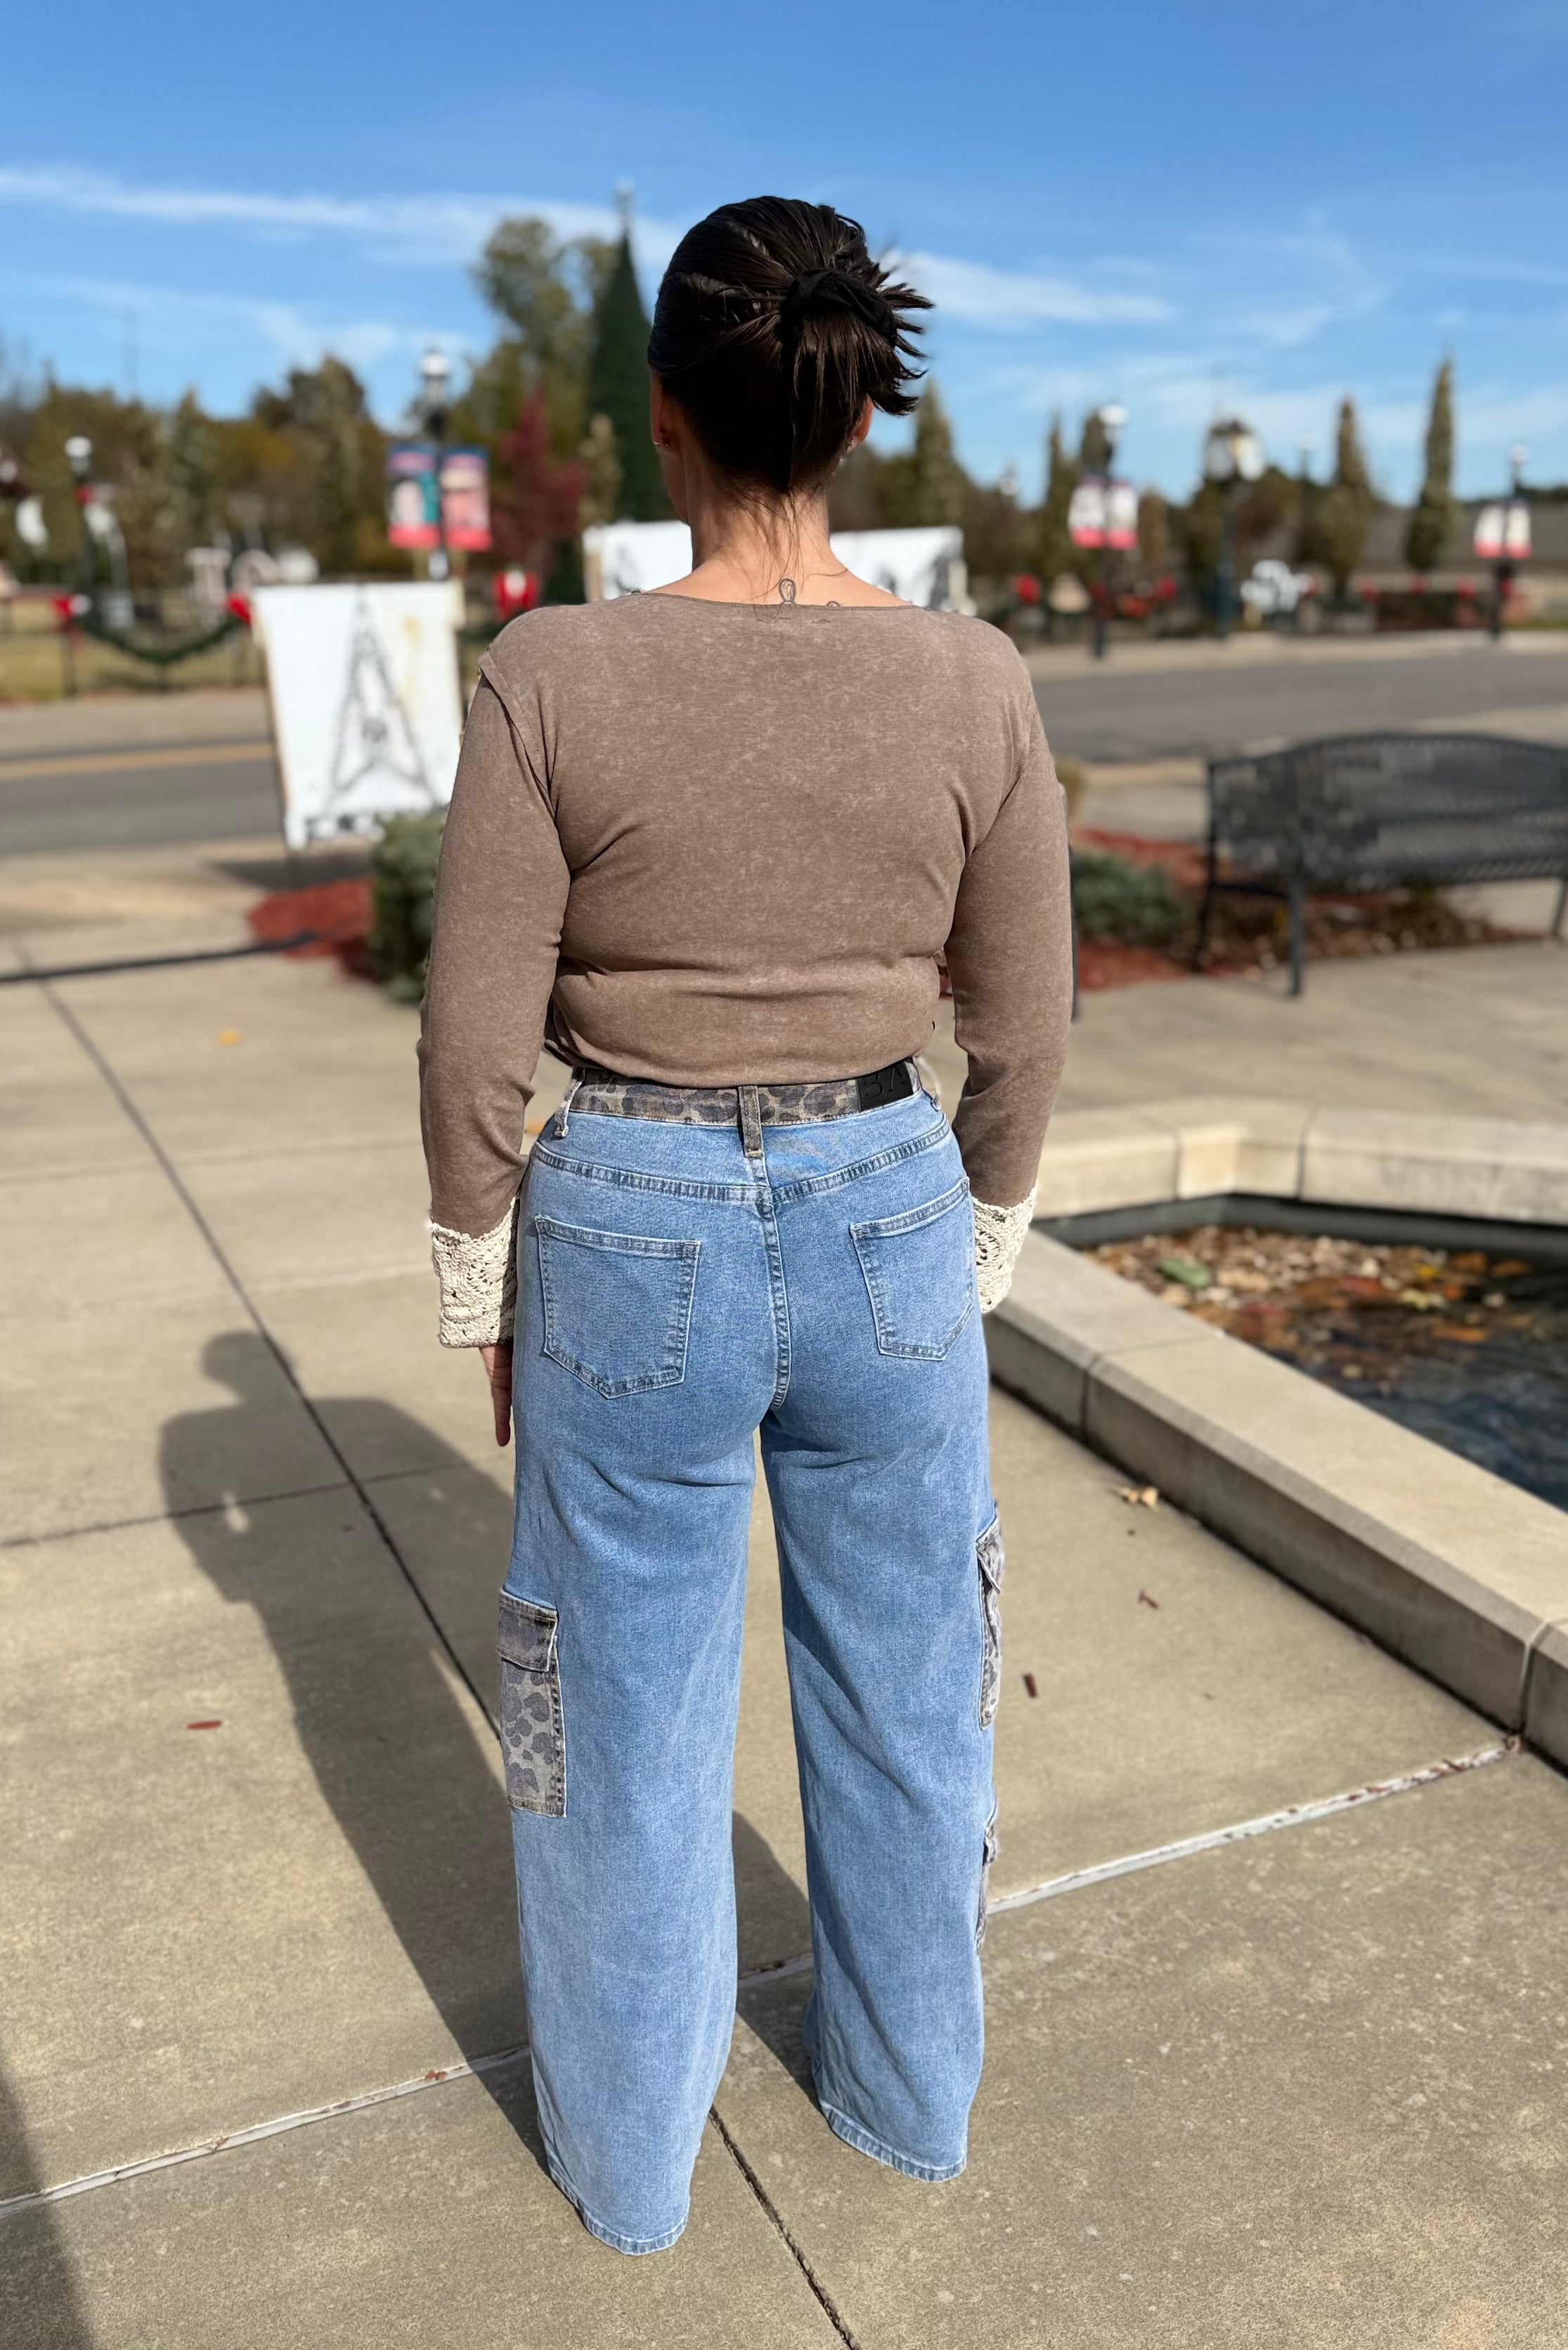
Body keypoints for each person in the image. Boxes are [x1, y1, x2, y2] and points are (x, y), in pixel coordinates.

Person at [418, 195, 1073, 2257]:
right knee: (910, 1697)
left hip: (631, 1221)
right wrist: (973, 1244)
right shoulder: (973, 680)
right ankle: (907, 2101)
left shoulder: (552, 670)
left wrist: (483, 1279)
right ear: (858, 414)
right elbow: (1025, 1024)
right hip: (888, 1200)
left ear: (664, 413)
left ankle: (632, 2174)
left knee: (613, 1729)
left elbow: (473, 1040)